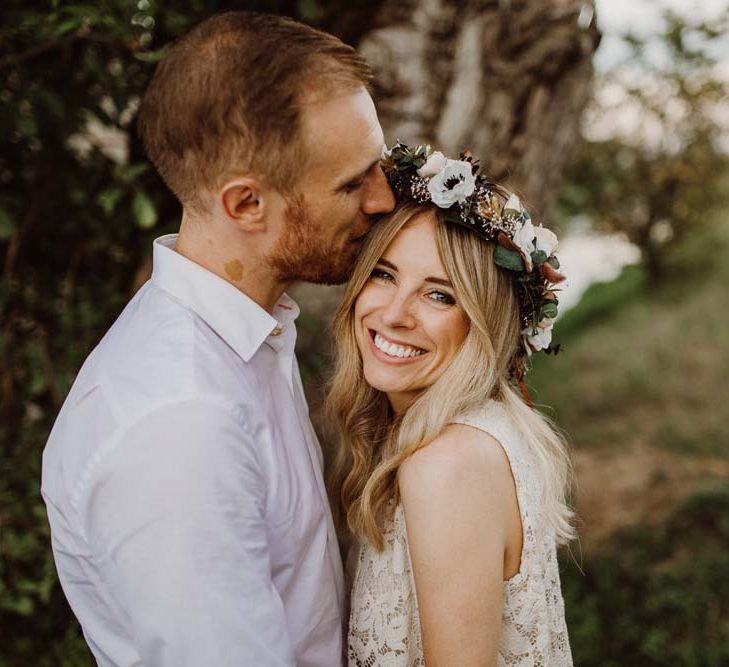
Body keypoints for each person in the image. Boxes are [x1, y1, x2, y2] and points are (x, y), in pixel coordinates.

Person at [41, 11, 394, 666]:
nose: (381, 200)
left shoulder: (246, 336)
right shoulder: (180, 421)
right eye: (352, 182)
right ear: (245, 205)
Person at [327, 143, 576, 666]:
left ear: (484, 325)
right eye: (385, 274)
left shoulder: (448, 464)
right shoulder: (475, 430)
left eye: (439, 295)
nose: (394, 314)